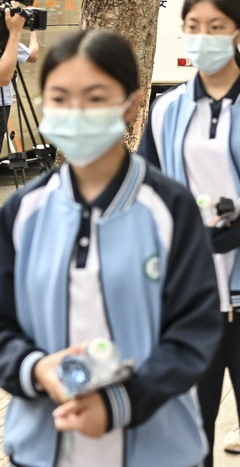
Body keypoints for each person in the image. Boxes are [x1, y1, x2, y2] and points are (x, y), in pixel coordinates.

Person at [0, 29, 221, 467]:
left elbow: (195, 331)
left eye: (95, 97)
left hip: (158, 448)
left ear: (133, 102)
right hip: (43, 447)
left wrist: (121, 403)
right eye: (60, 98)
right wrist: (35, 369)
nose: (76, 112)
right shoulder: (23, 211)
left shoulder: (169, 207)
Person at [139, 0, 240, 466]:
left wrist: (213, 237)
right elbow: (148, 189)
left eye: (215, 27)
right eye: (192, 28)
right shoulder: (165, 109)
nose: (202, 37)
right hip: (190, 293)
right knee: (188, 426)